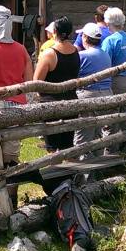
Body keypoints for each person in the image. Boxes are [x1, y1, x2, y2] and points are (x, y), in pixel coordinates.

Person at [0, 7, 30, 172]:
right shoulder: (22, 49)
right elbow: (29, 80)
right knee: (11, 153)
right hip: (17, 104)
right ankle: (11, 186)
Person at [33, 16, 80, 153]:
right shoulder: (75, 51)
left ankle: (54, 166)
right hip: (71, 101)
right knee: (67, 144)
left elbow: (37, 81)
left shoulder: (49, 54)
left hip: (51, 103)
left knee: (52, 147)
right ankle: (69, 167)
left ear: (54, 32)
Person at [72, 23, 113, 157]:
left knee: (83, 133)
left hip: (88, 94)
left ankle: (83, 165)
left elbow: (74, 75)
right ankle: (98, 162)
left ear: (85, 37)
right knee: (98, 132)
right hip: (106, 94)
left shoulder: (82, 56)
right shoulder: (105, 54)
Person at [101, 7, 126, 153]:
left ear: (108, 22)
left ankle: (110, 152)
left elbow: (105, 63)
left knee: (112, 119)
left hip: (116, 81)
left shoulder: (110, 41)